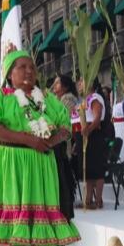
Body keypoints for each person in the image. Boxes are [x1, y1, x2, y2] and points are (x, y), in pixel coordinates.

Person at [0, 51, 79, 246]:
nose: (29, 71)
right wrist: (31, 140)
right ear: (10, 74)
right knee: (15, 206)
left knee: (40, 206)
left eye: (32, 67)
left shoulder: (47, 98)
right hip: (11, 160)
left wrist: (49, 141)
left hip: (41, 161)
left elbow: (64, 125)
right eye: (21, 67)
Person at [53, 75, 80, 220]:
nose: (54, 85)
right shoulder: (56, 99)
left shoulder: (67, 99)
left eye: (57, 83)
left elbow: (64, 118)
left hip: (62, 139)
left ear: (65, 86)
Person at [78, 80, 109, 209]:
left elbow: (97, 118)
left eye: (82, 82)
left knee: (97, 168)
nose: (79, 84)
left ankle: (98, 199)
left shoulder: (95, 98)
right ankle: (88, 198)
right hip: (85, 135)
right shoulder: (84, 100)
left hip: (94, 135)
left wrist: (88, 130)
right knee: (89, 169)